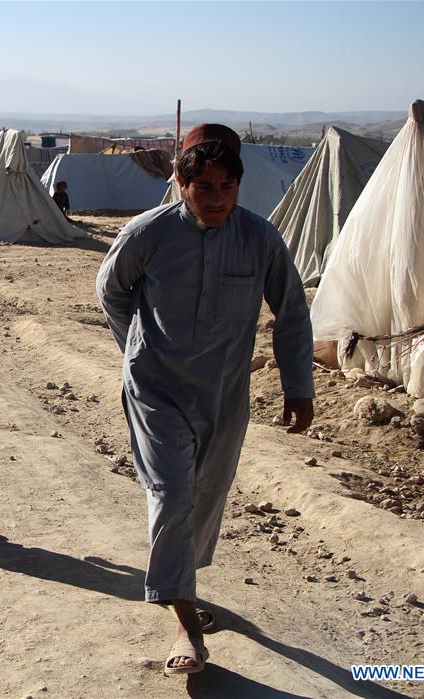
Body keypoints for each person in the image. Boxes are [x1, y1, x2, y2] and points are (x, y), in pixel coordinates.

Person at [95, 124, 314, 676]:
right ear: (180, 182)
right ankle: (187, 624)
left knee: (205, 494)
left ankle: (180, 584)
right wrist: (134, 349)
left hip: (223, 393)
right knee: (171, 491)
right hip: (156, 389)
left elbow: (290, 312)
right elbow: (111, 289)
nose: (215, 199)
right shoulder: (149, 233)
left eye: (227, 188)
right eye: (204, 187)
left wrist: (298, 386)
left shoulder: (260, 239)